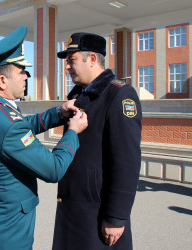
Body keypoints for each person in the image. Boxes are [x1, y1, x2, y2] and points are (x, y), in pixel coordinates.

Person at [0, 26, 88, 249]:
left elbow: (20, 126)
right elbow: (53, 169)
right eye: (21, 70)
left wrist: (58, 113)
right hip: (8, 230)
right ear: (2, 81)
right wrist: (72, 132)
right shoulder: (4, 121)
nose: (26, 76)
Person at [52, 32, 142, 250]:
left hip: (98, 211)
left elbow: (127, 161)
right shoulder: (80, 95)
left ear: (92, 59)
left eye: (72, 60)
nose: (67, 67)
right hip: (74, 206)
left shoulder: (120, 95)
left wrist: (117, 216)